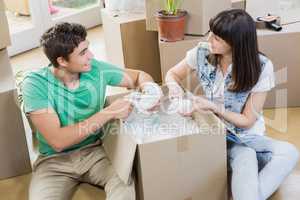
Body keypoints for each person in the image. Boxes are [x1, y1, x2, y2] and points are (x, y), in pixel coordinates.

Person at [165, 9, 299, 200]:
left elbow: (247, 121)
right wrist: (175, 89)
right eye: (211, 32)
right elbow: (173, 74)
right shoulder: (202, 52)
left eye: (217, 38)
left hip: (245, 133)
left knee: (290, 152)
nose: (209, 39)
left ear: (236, 43)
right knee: (247, 157)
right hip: (215, 132)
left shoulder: (261, 67)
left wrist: (213, 107)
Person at [22, 22, 158, 200]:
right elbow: (58, 141)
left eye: (88, 48)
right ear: (61, 61)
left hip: (96, 151)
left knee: (124, 187)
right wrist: (109, 112)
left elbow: (138, 76)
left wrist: (151, 92)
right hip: (53, 162)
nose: (91, 56)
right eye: (83, 53)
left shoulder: (95, 68)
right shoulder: (35, 84)